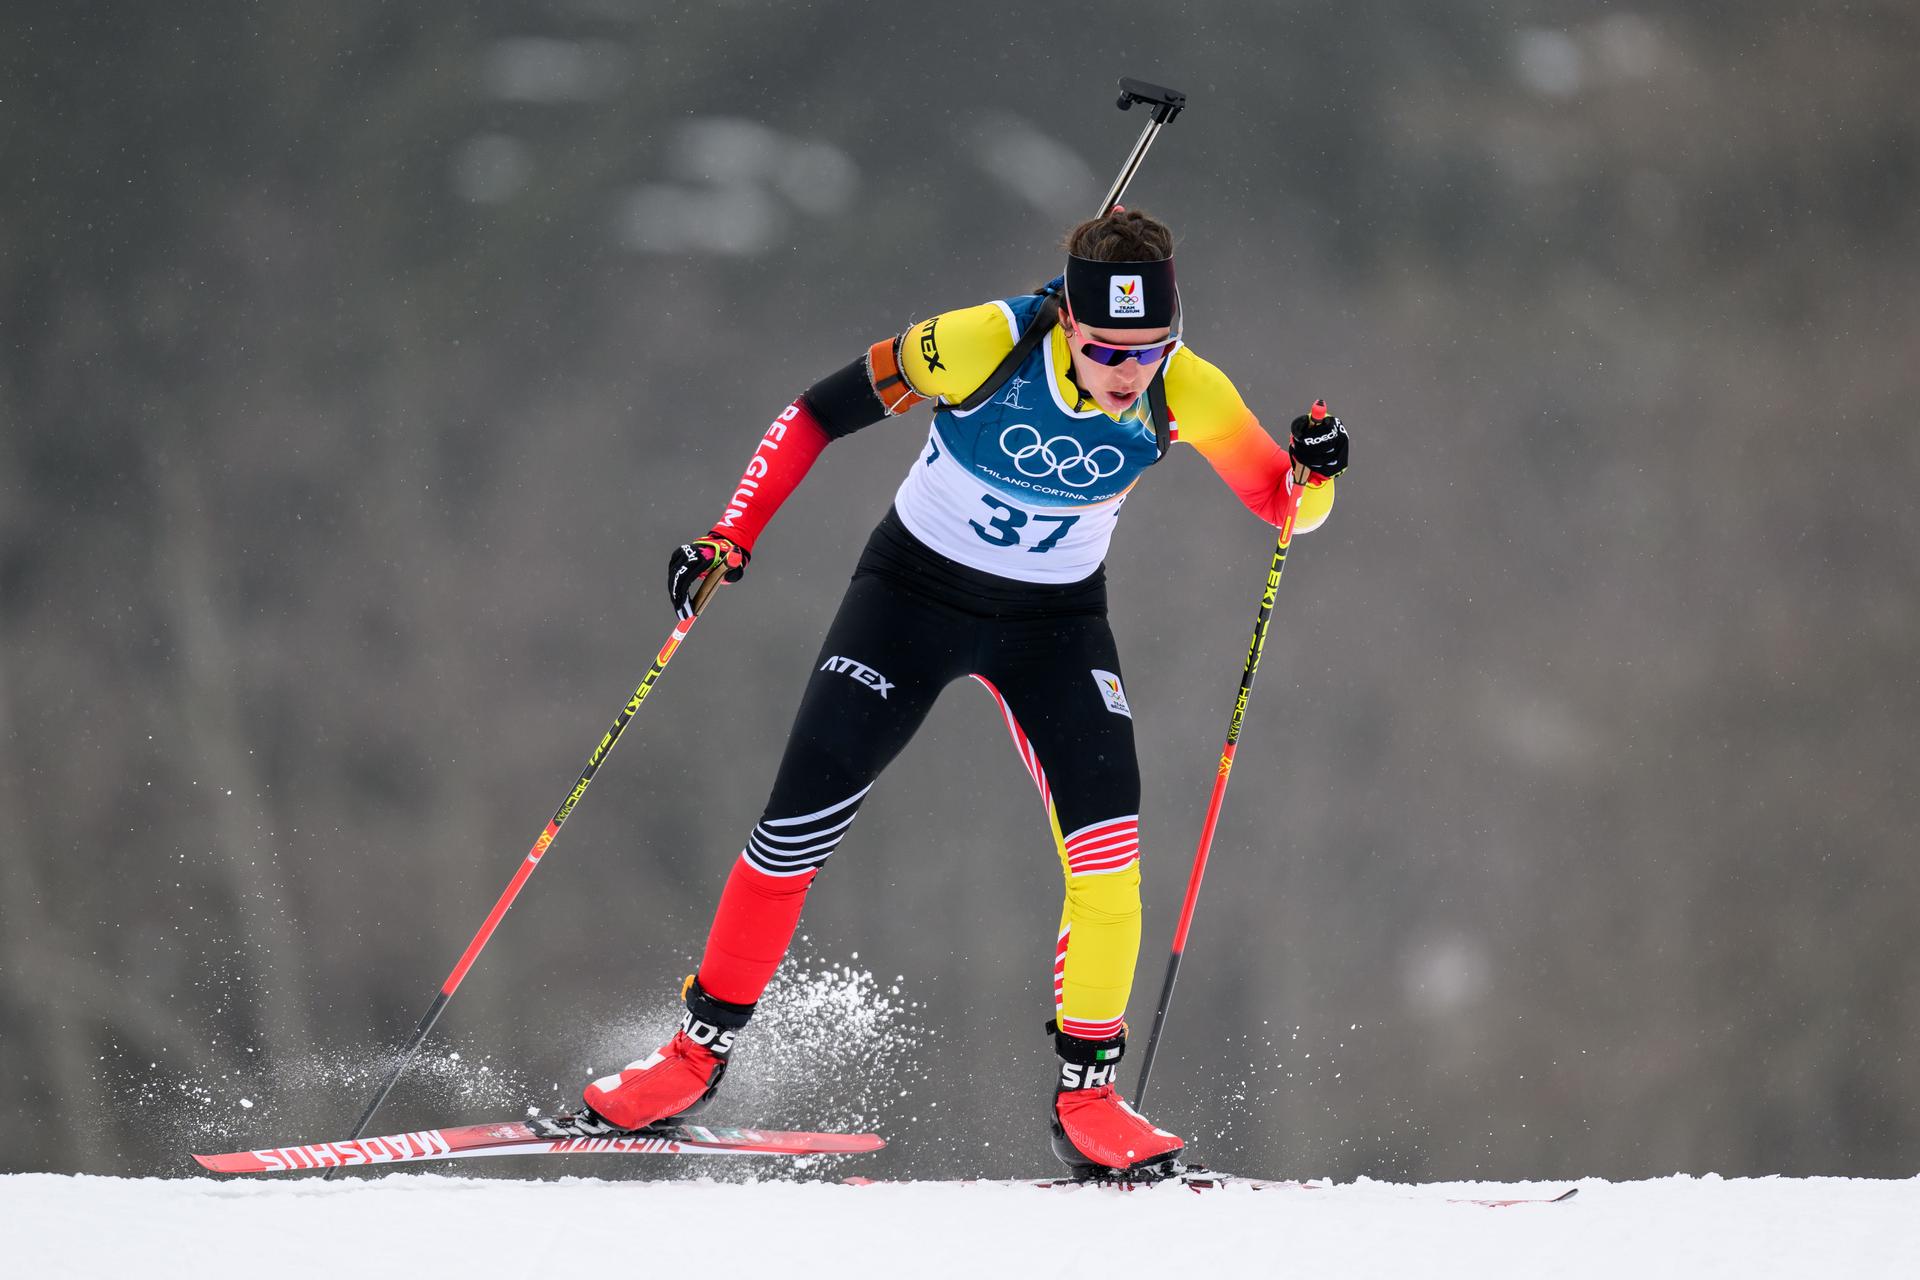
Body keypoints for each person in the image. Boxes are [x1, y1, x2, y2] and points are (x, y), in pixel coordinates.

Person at [582, 207, 1350, 1178]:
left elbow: (1284, 502)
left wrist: (1317, 474)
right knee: (796, 823)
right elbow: (818, 411)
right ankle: (692, 1055)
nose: (1131, 373)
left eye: (1152, 349)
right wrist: (734, 533)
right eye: (1111, 349)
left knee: (1111, 847)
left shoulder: (1186, 391)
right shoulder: (981, 341)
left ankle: (1089, 1094)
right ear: (1069, 322)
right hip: (909, 598)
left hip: (1057, 625)